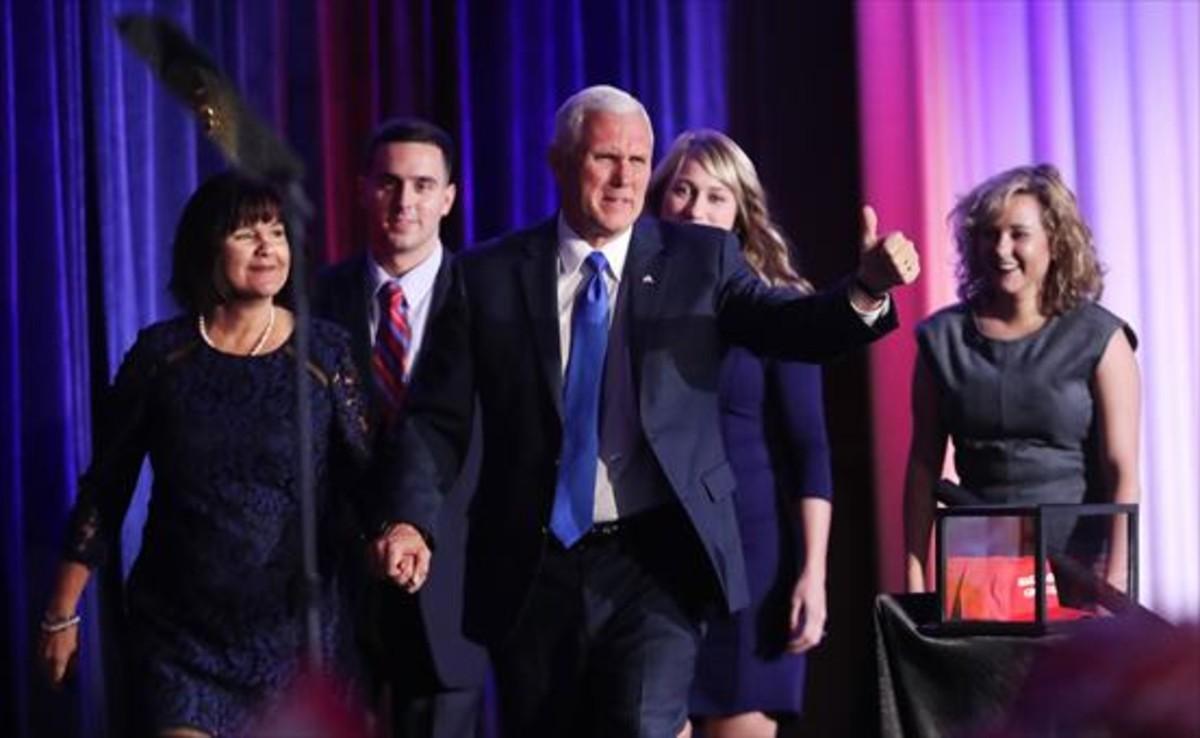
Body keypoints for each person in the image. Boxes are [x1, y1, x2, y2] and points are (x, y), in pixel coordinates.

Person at [371, 84, 920, 737]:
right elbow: (436, 420)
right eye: (607, 158)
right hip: (530, 567)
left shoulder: (701, 258)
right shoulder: (488, 275)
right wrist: (408, 519)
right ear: (561, 161)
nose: (626, 178)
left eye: (639, 160)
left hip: (655, 563)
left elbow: (789, 327)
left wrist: (863, 291)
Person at [38, 171, 371, 738]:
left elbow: (369, 474)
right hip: (179, 634)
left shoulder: (325, 351)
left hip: (295, 636)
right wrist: (61, 611)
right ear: (207, 248)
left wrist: (400, 535)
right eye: (246, 233)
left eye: (277, 231)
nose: (268, 246)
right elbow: (106, 486)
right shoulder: (160, 355)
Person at [647, 129, 833, 738]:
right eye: (683, 190)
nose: (696, 209)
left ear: (740, 215)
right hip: (648, 562)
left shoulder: (779, 306)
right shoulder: (621, 301)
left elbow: (810, 450)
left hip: (750, 565)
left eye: (716, 197)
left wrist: (813, 573)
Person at [314, 118, 487, 738]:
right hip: (339, 590)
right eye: (389, 183)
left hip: (453, 587)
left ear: (448, 197)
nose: (405, 201)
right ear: (362, 190)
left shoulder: (490, 299)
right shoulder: (311, 299)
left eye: (421, 184)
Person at [903, 164, 1140, 596]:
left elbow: (1121, 468)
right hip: (979, 575)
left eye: (1018, 234)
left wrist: (1118, 580)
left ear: (1055, 241)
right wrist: (916, 577)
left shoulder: (1101, 338)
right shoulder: (942, 340)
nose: (1001, 249)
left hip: (1076, 571)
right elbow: (922, 466)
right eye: (990, 234)